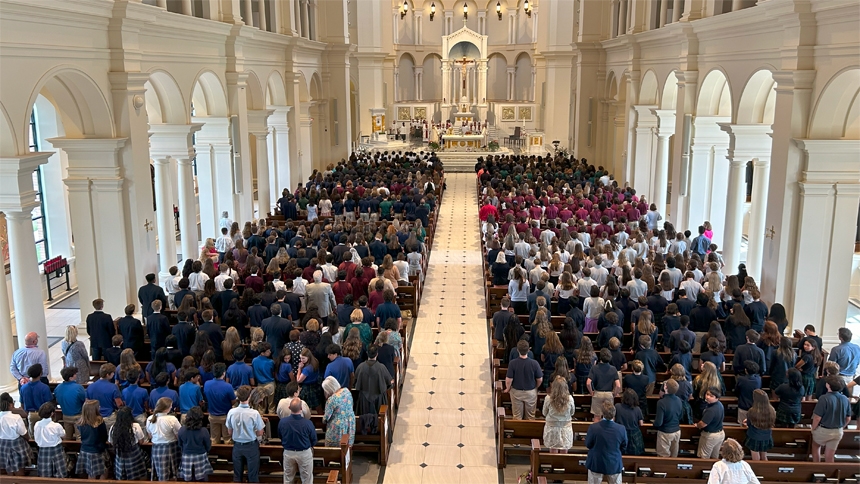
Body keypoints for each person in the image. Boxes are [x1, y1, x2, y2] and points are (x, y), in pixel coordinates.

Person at [226, 385, 266, 483]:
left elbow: (229, 432)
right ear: (249, 397)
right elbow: (260, 432)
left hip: (237, 446)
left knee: (237, 476)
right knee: (253, 476)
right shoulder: (254, 413)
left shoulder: (231, 412)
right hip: (251, 446)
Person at [584, 401, 627, 484]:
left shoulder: (594, 428)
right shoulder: (621, 429)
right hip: (614, 462)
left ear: (602, 414)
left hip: (596, 462)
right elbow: (624, 446)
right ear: (614, 414)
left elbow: (588, 444)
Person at [811, 376, 851, 462]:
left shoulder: (824, 398)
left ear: (828, 385)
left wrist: (813, 428)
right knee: (830, 455)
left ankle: (816, 467)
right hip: (838, 431)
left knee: (815, 446)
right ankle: (828, 472)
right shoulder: (845, 399)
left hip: (824, 430)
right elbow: (848, 418)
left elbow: (817, 417)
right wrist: (842, 427)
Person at [279, 397, 318, 484]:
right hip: (304, 452)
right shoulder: (307, 423)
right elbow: (314, 439)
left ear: (289, 408)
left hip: (288, 452)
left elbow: (280, 436)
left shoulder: (282, 422)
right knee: (306, 479)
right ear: (301, 408)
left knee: (288, 479)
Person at [505, 340, 543, 419]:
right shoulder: (534, 363)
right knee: (530, 416)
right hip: (530, 392)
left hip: (516, 392)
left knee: (517, 416)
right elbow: (539, 379)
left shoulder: (513, 363)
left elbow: (509, 379)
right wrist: (536, 387)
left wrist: (508, 388)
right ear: (528, 350)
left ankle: (518, 430)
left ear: (517, 350)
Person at [109, 406, 147, 480]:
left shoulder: (113, 428)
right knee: (140, 473)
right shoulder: (135, 426)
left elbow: (111, 442)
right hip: (134, 453)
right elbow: (141, 441)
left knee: (122, 476)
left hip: (120, 454)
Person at [147, 396, 182, 480]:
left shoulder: (149, 419)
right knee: (172, 471)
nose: (171, 407)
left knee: (159, 471)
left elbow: (150, 435)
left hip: (156, 447)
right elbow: (179, 435)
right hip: (170, 447)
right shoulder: (172, 419)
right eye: (170, 406)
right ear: (166, 408)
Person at [354, 344, 392, 415]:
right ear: (377, 354)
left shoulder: (360, 367)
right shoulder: (382, 367)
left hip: (364, 400)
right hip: (379, 399)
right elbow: (389, 383)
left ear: (367, 353)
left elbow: (355, 382)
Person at [178, 406, 214, 482]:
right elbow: (208, 446)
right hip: (200, 455)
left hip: (187, 455)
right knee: (202, 478)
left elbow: (180, 444)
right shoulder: (204, 431)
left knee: (188, 479)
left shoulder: (182, 430)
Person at [204, 362, 237, 444]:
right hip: (225, 416)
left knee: (214, 439)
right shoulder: (228, 386)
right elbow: (233, 401)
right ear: (223, 373)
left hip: (212, 415)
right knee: (228, 440)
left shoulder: (207, 384)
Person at [76, 399, 109, 480]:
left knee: (91, 473)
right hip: (97, 450)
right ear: (94, 410)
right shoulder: (99, 421)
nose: (100, 407)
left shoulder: (81, 422)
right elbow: (104, 436)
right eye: (98, 406)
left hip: (85, 449)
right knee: (105, 471)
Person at [542, 376, 576, 453]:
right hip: (565, 427)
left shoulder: (548, 398)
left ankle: (554, 464)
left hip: (552, 426)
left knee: (553, 448)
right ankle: (563, 464)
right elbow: (572, 412)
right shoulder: (569, 398)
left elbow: (544, 413)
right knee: (564, 448)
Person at [86, 363, 123, 428]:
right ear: (107, 375)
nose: (114, 374)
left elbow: (87, 403)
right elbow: (119, 404)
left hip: (95, 417)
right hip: (109, 417)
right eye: (112, 373)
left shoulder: (90, 387)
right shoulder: (113, 387)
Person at [34, 402, 66, 478]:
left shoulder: (37, 424)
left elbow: (36, 438)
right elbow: (64, 435)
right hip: (56, 450)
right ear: (52, 413)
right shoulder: (56, 426)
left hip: (43, 450)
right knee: (59, 473)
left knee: (44, 474)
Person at [20, 364, 53, 437]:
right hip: (43, 415)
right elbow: (49, 403)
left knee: (33, 436)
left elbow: (22, 403)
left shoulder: (23, 388)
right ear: (40, 374)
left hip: (31, 414)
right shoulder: (44, 387)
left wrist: (26, 413)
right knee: (45, 435)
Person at [587, 348, 620, 420]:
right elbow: (618, 385)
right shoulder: (613, 369)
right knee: (609, 416)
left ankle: (596, 431)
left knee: (597, 416)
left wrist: (591, 392)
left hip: (598, 393)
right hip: (608, 393)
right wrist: (614, 394)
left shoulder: (594, 368)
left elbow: (588, 383)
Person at [55, 366, 87, 440]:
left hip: (65, 415)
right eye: (75, 374)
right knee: (79, 437)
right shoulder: (78, 388)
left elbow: (57, 400)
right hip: (78, 416)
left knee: (67, 436)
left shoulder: (58, 387)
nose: (76, 375)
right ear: (70, 377)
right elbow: (85, 400)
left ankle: (68, 449)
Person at [322, 376, 356, 447]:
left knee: (334, 452)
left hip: (337, 429)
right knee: (347, 448)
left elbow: (326, 418)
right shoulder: (347, 391)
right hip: (350, 424)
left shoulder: (332, 399)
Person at [653, 378, 683, 457]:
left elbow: (659, 422)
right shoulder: (679, 400)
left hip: (665, 432)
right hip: (676, 431)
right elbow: (680, 415)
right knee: (674, 455)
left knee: (663, 456)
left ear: (665, 388)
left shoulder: (661, 402)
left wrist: (654, 424)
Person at [744, 389, 775, 461]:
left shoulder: (752, 411)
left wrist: (746, 422)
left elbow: (748, 424)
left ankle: (757, 470)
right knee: (764, 456)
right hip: (766, 436)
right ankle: (765, 470)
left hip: (754, 436)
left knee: (755, 456)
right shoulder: (772, 410)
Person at [696, 386, 726, 459]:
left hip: (710, 436)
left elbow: (703, 424)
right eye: (707, 394)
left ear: (717, 398)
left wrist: (697, 425)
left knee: (704, 456)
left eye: (711, 396)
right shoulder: (719, 404)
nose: (708, 397)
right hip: (720, 434)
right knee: (714, 456)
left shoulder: (711, 410)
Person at [614, 389, 644, 455]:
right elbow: (641, 423)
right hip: (633, 435)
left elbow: (613, 420)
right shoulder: (637, 409)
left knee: (620, 452)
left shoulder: (617, 406)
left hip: (620, 433)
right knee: (634, 453)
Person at [736, 360, 762, 425]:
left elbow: (737, 391)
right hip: (754, 406)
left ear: (746, 370)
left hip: (743, 405)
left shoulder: (741, 379)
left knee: (742, 424)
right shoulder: (758, 379)